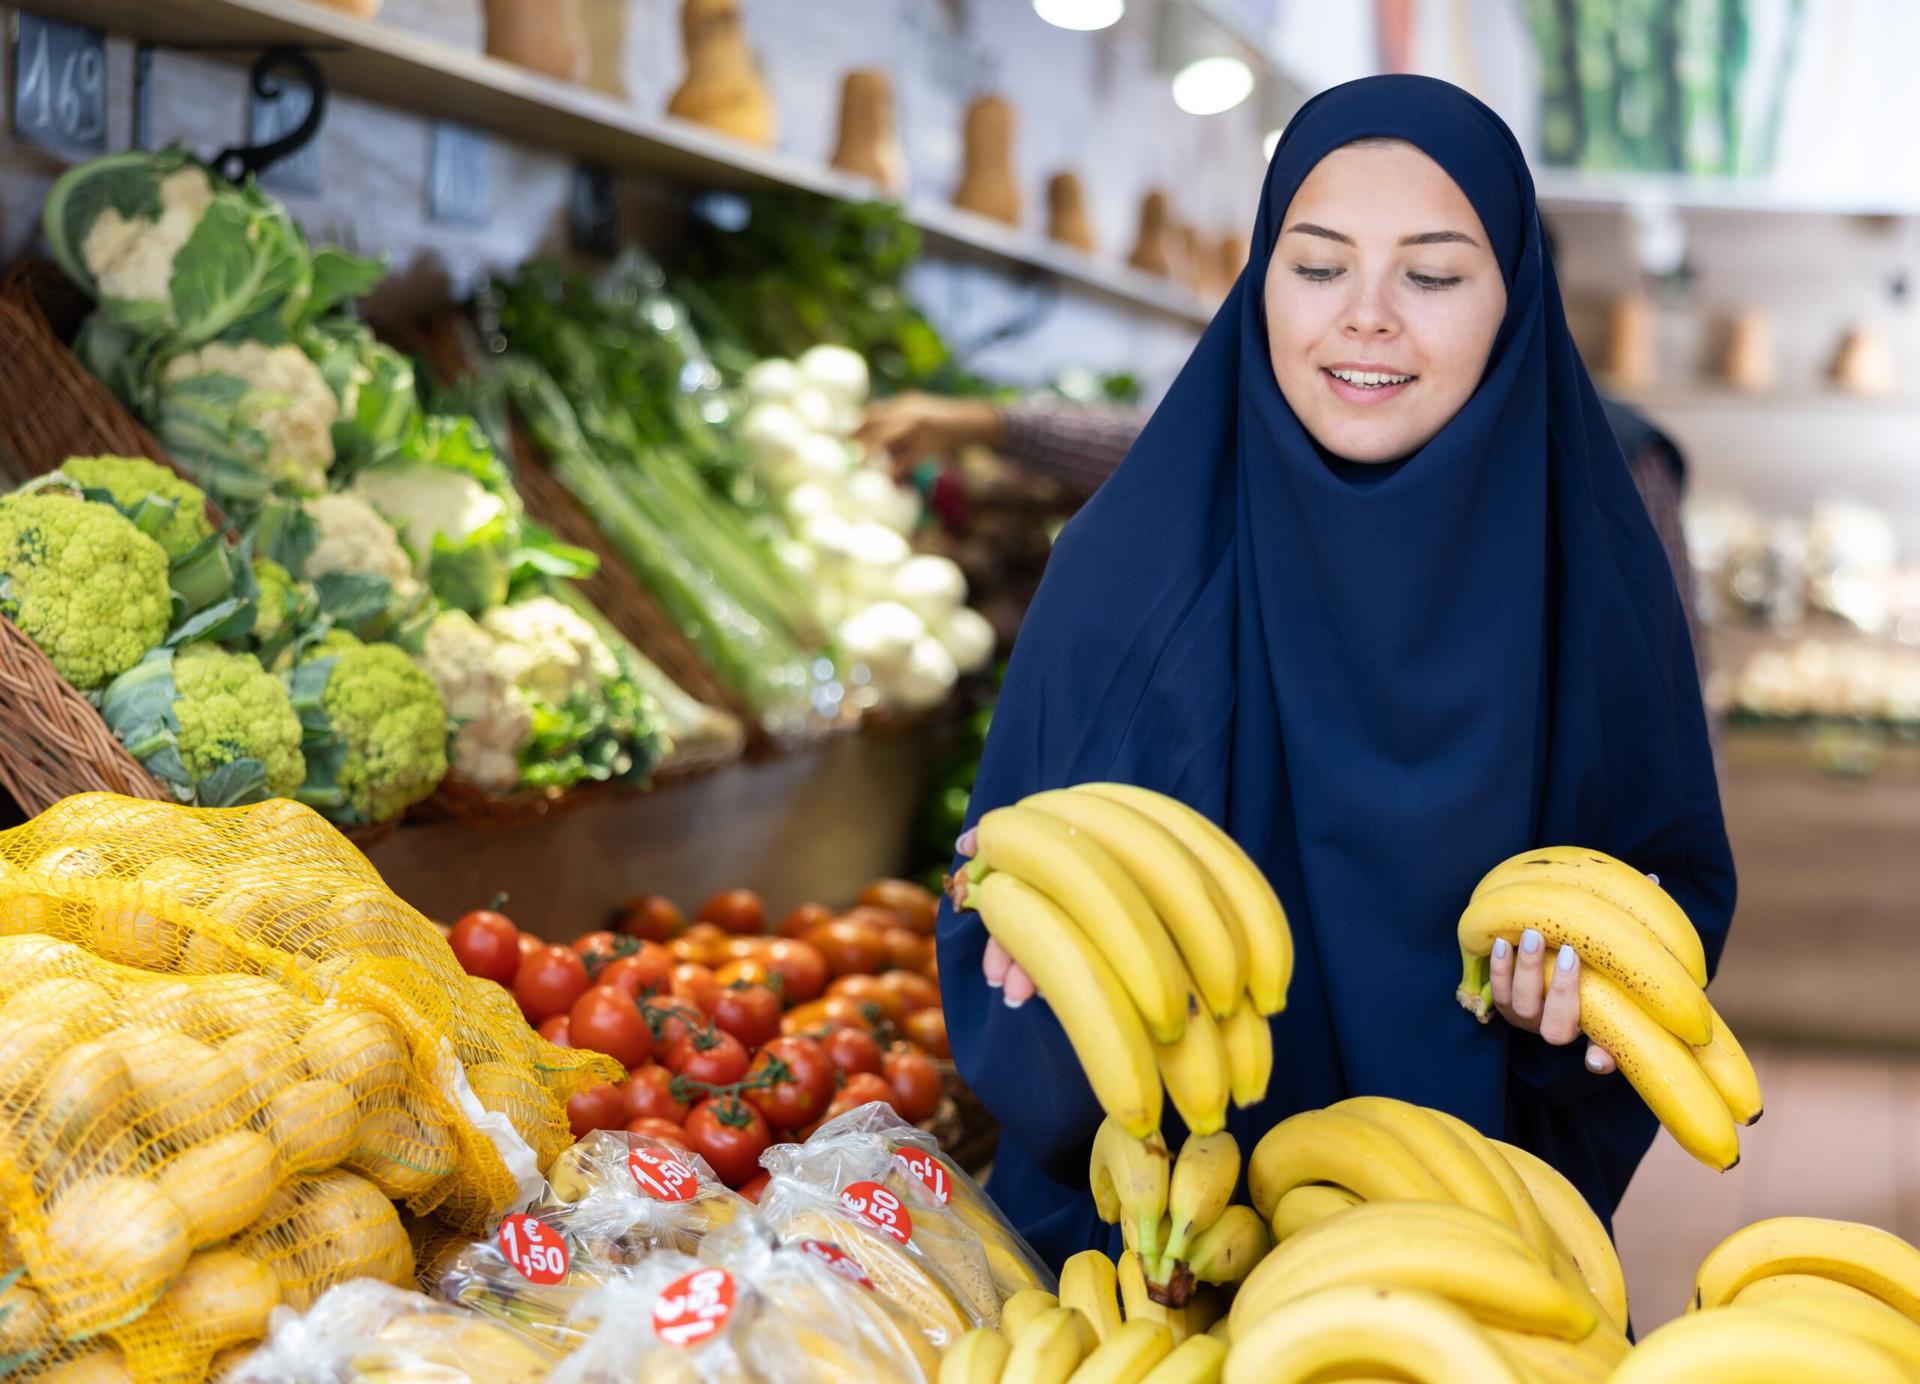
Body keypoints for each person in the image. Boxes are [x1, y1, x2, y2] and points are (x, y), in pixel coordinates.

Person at [931, 75, 1735, 1272]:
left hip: (1477, 1256)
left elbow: (1666, 893)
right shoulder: (1128, 562)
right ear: (1261, 285)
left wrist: (1572, 1025)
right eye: (1315, 267)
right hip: (1157, 1258)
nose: (1366, 316)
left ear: (1516, 298)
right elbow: (992, 892)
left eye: (1433, 274)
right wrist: (1040, 977)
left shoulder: (1597, 576)